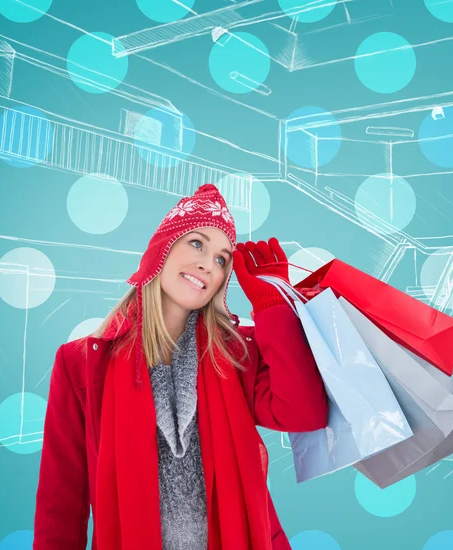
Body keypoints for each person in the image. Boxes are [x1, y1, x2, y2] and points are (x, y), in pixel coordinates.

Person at [33, 183, 329, 550]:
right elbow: (61, 500)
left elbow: (304, 413)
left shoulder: (238, 352)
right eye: (197, 243)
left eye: (222, 259)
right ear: (163, 248)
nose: (208, 263)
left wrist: (272, 305)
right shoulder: (83, 364)